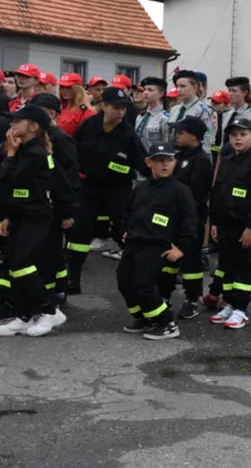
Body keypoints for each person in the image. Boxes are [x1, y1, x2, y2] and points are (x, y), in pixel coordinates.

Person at [0, 105, 72, 337]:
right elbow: (13, 190)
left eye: (17, 122)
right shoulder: (25, 149)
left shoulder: (36, 154)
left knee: (22, 266)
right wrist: (7, 216)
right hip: (20, 216)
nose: (12, 126)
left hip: (36, 218)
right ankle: (24, 316)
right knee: (12, 266)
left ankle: (51, 311)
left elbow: (8, 179)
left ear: (32, 127)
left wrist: (10, 155)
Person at [66, 87, 148, 289]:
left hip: (118, 190)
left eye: (124, 108)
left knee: (123, 230)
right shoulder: (88, 126)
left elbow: (142, 162)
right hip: (89, 187)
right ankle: (72, 278)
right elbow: (71, 153)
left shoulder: (128, 133)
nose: (120, 112)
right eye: (116, 107)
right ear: (104, 106)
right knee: (80, 232)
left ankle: (139, 277)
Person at [116, 143, 198, 340]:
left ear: (175, 162)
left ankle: (166, 323)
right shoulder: (141, 188)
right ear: (148, 162)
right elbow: (128, 211)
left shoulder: (180, 191)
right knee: (124, 281)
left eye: (169, 160)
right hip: (134, 243)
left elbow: (190, 221)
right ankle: (144, 317)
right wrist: (126, 230)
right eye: (159, 160)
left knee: (144, 285)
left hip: (158, 246)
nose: (164, 165)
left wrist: (182, 248)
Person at [208, 118, 251, 330]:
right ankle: (230, 303)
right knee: (227, 265)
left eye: (243, 134)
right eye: (234, 135)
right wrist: (214, 222)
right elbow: (218, 192)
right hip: (224, 224)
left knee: (243, 267)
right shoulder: (227, 159)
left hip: (244, 226)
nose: (238, 138)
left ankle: (241, 309)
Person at [28, 93, 80, 307]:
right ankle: (55, 290)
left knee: (51, 252)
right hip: (41, 203)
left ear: (51, 114)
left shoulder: (59, 138)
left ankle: (55, 294)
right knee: (46, 251)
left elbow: (70, 175)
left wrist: (67, 211)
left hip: (56, 205)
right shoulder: (38, 138)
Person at [167, 117, 214, 320]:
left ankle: (192, 299)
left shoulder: (201, 160)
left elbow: (196, 195)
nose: (177, 135)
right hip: (171, 218)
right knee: (167, 260)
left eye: (181, 132)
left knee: (191, 263)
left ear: (194, 136)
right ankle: (164, 296)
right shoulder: (178, 155)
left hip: (190, 220)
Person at [166, 71, 217, 155]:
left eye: (183, 86)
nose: (178, 90)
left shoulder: (202, 110)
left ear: (195, 87)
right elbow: (169, 134)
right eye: (177, 86)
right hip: (173, 155)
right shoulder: (175, 109)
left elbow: (207, 138)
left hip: (191, 156)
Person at [134, 77, 170, 152]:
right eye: (144, 90)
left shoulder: (164, 118)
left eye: (150, 90)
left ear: (160, 93)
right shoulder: (141, 116)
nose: (145, 93)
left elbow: (167, 144)